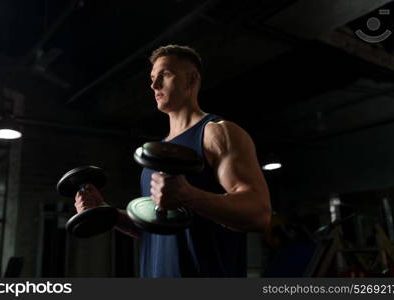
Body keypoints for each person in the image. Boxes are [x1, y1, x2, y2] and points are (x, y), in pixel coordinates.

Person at [75, 45, 271, 277]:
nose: (154, 85)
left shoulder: (217, 133)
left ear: (191, 80)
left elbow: (259, 214)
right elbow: (160, 228)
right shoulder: (158, 153)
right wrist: (108, 214)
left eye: (165, 75)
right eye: (152, 78)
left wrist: (189, 196)